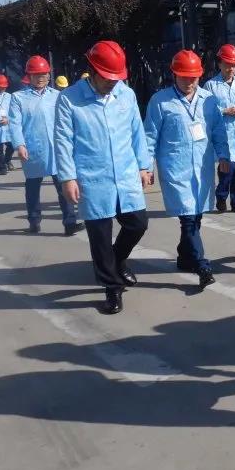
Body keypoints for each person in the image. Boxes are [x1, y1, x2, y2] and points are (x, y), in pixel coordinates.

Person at [54, 41, 154, 315]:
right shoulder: (70, 99)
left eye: (116, 77)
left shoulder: (126, 95)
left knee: (137, 224)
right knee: (100, 236)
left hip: (125, 173)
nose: (112, 82)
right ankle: (112, 287)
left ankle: (118, 260)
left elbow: (137, 132)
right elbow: (62, 140)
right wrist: (68, 177)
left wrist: (144, 166)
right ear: (93, 70)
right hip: (92, 176)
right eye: (108, 77)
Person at [144, 49, 221, 288]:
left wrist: (225, 155)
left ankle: (184, 257)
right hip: (175, 168)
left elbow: (218, 130)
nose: (189, 82)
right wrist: (146, 167)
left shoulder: (209, 100)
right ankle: (202, 266)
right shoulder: (160, 101)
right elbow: (149, 136)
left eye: (194, 78)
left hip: (202, 166)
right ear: (174, 74)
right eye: (184, 77)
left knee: (195, 217)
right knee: (188, 218)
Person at [9, 55, 81, 236]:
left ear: (49, 75)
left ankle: (70, 222)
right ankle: (34, 220)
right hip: (33, 148)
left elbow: (67, 121)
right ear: (29, 76)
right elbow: (14, 124)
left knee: (64, 184)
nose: (40, 78)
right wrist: (19, 145)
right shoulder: (18, 98)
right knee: (33, 187)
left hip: (57, 148)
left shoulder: (58, 96)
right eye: (36, 75)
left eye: (44, 74)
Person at [203, 44, 235, 213]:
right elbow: (206, 109)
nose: (231, 69)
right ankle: (221, 197)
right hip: (224, 133)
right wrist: (224, 111)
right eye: (228, 65)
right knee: (227, 169)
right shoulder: (211, 85)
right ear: (220, 64)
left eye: (234, 65)